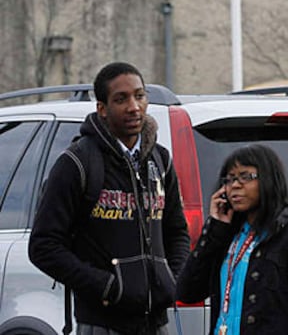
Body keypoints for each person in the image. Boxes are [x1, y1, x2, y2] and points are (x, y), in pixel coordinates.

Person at [29, 62, 190, 335]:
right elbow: (43, 246)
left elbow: (178, 232)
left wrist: (170, 281)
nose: (133, 107)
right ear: (102, 109)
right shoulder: (77, 163)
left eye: (139, 96)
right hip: (102, 324)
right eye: (121, 99)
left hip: (157, 323)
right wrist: (107, 287)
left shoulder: (159, 159)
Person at [176, 144, 288, 335]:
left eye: (246, 177)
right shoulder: (228, 235)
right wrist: (215, 228)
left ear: (269, 180)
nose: (236, 185)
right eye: (230, 179)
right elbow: (187, 292)